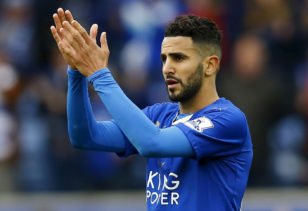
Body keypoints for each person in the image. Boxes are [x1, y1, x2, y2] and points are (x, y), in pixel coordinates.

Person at [50, 8, 252, 211]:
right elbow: (85, 136)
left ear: (210, 65)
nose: (167, 68)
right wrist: (76, 72)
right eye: (164, 58)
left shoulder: (227, 120)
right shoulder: (158, 115)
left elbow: (152, 143)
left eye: (179, 58)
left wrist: (100, 74)